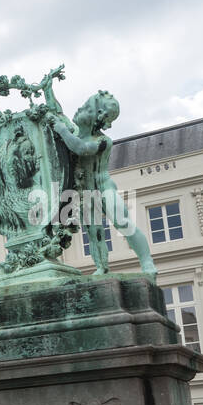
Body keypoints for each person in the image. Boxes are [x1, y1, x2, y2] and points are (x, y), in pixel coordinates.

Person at [44, 85, 157, 279]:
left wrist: (61, 129)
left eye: (86, 108)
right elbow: (58, 112)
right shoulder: (75, 131)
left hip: (104, 186)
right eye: (82, 106)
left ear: (98, 116)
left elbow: (81, 148)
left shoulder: (103, 141)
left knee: (123, 222)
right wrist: (48, 92)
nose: (79, 109)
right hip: (86, 191)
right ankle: (102, 266)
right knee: (94, 232)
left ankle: (147, 262)